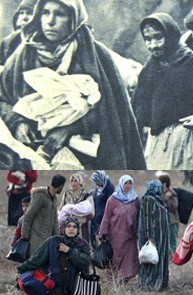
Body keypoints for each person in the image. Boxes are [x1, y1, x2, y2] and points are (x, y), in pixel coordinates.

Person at [0, 0, 145, 169]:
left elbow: (113, 111)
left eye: (59, 14)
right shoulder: (23, 56)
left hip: (86, 153)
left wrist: (71, 129)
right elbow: (2, 98)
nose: (50, 21)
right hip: (31, 152)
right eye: (45, 13)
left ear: (73, 19)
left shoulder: (95, 56)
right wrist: (18, 123)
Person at [132, 12, 193, 169]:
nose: (153, 45)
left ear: (170, 35)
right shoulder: (150, 70)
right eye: (148, 39)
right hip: (160, 145)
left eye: (158, 37)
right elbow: (139, 110)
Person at [17, 216, 91, 295]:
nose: (71, 229)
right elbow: (37, 260)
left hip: (70, 293)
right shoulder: (52, 242)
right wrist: (21, 270)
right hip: (51, 292)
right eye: (68, 226)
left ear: (78, 229)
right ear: (63, 228)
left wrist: (70, 251)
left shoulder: (82, 245)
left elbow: (86, 262)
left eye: (74, 227)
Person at [99, 175, 140, 282]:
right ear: (121, 184)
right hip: (115, 236)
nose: (128, 186)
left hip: (130, 236)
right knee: (115, 258)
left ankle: (125, 279)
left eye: (130, 183)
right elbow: (106, 216)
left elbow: (139, 217)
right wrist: (103, 232)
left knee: (129, 258)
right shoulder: (113, 199)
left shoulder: (135, 200)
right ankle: (113, 280)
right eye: (126, 183)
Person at [21, 174, 65, 257]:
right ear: (61, 185)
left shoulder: (54, 199)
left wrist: (57, 238)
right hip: (36, 239)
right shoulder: (40, 196)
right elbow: (28, 216)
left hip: (47, 239)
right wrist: (25, 236)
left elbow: (55, 221)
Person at [138, 180, 170, 291]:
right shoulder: (148, 200)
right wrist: (150, 236)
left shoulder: (157, 200)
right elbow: (147, 218)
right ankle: (149, 283)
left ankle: (160, 282)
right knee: (150, 259)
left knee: (158, 258)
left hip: (160, 236)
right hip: (153, 236)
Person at [59, 173, 93, 242]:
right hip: (68, 225)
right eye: (72, 180)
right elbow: (62, 207)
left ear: (80, 182)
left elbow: (91, 212)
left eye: (75, 181)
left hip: (82, 225)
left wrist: (81, 219)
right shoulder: (66, 194)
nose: (73, 183)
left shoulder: (86, 195)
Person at [0, 0, 36, 65]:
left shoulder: (43, 40)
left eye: (30, 13)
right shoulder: (8, 41)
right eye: (21, 13)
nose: (24, 17)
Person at [158, 173, 179, 257]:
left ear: (164, 184)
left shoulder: (172, 194)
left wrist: (167, 199)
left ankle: (171, 259)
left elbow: (174, 207)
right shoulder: (159, 193)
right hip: (162, 221)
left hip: (172, 221)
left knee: (171, 242)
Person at [90, 170, 113, 240]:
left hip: (104, 217)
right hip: (96, 216)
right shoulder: (98, 188)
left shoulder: (109, 188)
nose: (97, 185)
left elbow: (109, 204)